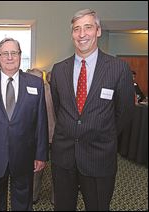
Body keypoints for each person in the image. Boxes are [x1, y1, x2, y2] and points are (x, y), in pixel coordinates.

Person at [50, 9, 135, 211]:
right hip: (64, 158)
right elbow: (58, 107)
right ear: (71, 34)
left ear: (98, 31)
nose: (82, 34)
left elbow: (125, 112)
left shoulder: (118, 68)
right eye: (76, 29)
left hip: (99, 156)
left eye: (88, 27)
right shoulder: (59, 69)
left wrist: (105, 133)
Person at [0, 38, 49, 211]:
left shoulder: (35, 83)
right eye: (5, 53)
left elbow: (41, 122)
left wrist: (41, 154)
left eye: (14, 53)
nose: (9, 57)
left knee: (23, 202)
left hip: (25, 155)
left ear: (20, 56)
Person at [26, 69, 56, 205]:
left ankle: (33, 196)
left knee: (36, 168)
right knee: (58, 169)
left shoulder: (29, 89)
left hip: (37, 137)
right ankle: (56, 198)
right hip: (55, 135)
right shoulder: (52, 89)